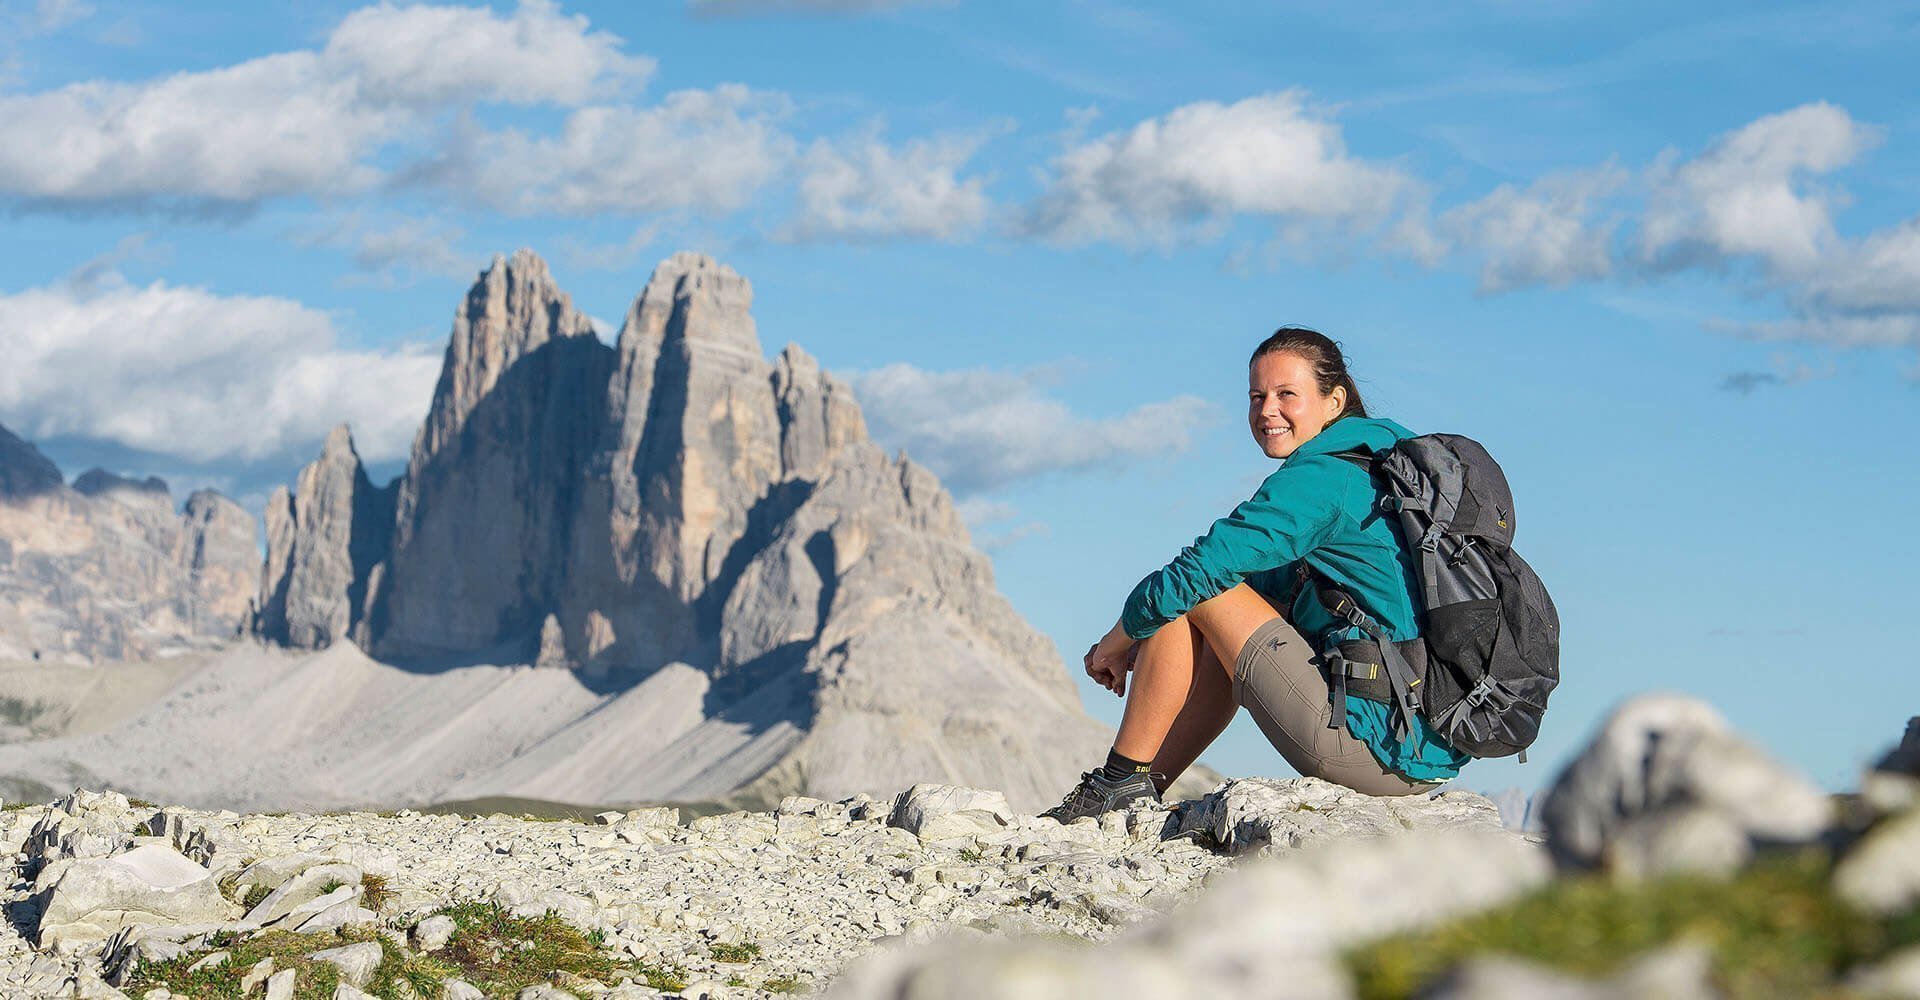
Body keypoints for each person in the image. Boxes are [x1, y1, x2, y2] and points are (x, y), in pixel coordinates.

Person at [1042, 327, 1470, 823]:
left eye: (1287, 394)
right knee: (1194, 600)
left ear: (1335, 402)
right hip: (1419, 745)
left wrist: (1116, 642)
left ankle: (1118, 783)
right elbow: (1261, 593)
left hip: (1376, 748)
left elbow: (1200, 572)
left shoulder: (1322, 480)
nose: (1267, 410)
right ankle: (1138, 790)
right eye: (1256, 396)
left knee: (1196, 587)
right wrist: (1148, 644)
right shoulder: (1379, 465)